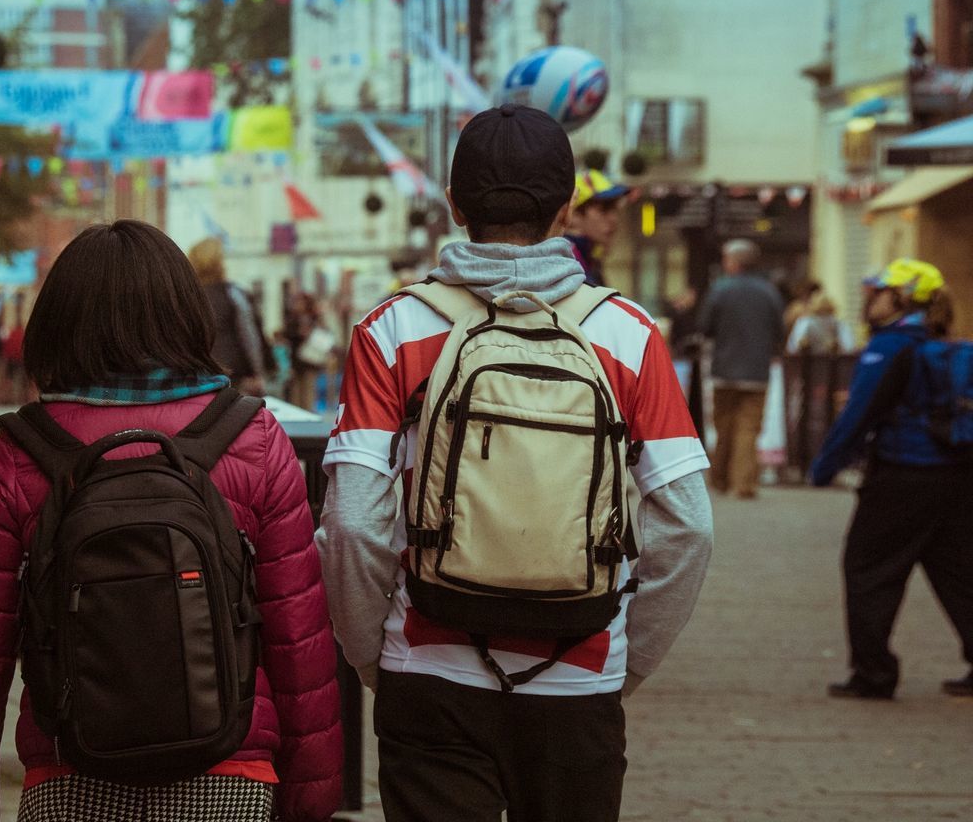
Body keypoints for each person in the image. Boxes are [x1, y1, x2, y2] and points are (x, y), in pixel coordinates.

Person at [316, 104, 713, 822]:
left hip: (428, 672)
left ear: (454, 203)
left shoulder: (393, 329)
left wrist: (375, 657)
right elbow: (689, 529)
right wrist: (626, 658)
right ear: (566, 210)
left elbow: (351, 525)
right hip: (580, 678)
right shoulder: (627, 334)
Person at [0, 220, 342, 822]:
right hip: (231, 776)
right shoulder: (252, 437)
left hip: (70, 779)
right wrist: (310, 798)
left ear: (59, 322)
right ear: (185, 314)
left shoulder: (22, 453)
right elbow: (298, 639)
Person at [810, 259, 973, 700]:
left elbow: (858, 413)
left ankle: (874, 673)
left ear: (901, 298)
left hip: (901, 476)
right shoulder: (943, 345)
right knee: (959, 572)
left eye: (877, 292)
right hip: (956, 476)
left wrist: (823, 468)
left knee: (868, 570)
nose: (869, 299)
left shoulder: (891, 345)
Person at [697, 239, 784, 499]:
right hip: (757, 370)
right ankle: (743, 483)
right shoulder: (769, 292)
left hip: (724, 368)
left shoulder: (720, 289)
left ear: (734, 262)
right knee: (748, 427)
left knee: (723, 425)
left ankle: (720, 479)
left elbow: (704, 325)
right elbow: (779, 331)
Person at [187, 237, 268, 396]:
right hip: (231, 373)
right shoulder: (232, 294)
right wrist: (257, 372)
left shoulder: (187, 296)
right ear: (219, 263)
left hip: (196, 374)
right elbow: (248, 337)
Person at [565, 168, 629, 284]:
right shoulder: (567, 265)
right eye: (603, 209)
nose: (613, 218)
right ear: (574, 215)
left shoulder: (586, 258)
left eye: (614, 209)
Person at [786, 289, 855, 355]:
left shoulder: (805, 322)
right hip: (829, 362)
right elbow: (849, 346)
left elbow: (793, 347)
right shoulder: (837, 322)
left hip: (811, 362)